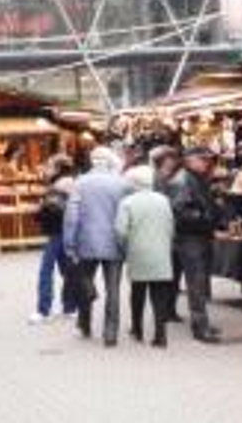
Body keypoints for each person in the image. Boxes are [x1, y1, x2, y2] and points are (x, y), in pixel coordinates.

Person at [64, 146, 130, 347]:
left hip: (87, 241)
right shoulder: (121, 183)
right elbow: (126, 214)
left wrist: (69, 243)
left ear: (92, 161)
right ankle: (110, 333)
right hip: (114, 242)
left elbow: (71, 216)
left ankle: (84, 324)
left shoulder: (81, 183)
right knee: (113, 289)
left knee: (85, 283)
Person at [116, 165, 175, 348]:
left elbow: (120, 231)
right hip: (160, 251)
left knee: (137, 292)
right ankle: (161, 335)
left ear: (133, 183)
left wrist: (125, 248)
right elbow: (171, 226)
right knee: (159, 295)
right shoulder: (164, 200)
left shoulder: (127, 202)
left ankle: (137, 329)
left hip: (138, 251)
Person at [168, 146, 222, 344]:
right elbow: (180, 211)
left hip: (197, 236)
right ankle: (200, 327)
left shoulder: (195, 178)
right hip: (190, 237)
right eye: (203, 159)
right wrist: (205, 218)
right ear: (191, 160)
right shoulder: (183, 180)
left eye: (208, 160)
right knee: (196, 283)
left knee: (198, 282)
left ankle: (202, 323)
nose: (207, 163)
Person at [29, 156, 78, 324]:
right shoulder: (72, 182)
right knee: (68, 270)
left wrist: (39, 207)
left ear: (58, 168)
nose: (47, 169)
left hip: (57, 232)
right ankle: (70, 307)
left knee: (46, 271)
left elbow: (45, 212)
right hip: (67, 231)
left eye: (50, 166)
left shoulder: (59, 185)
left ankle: (44, 310)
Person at [150, 145, 184, 322]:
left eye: (174, 159)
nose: (173, 162)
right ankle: (163, 310)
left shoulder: (172, 178)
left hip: (175, 232)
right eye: (169, 160)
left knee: (175, 272)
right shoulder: (156, 179)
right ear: (161, 161)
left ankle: (170, 309)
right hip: (162, 232)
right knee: (164, 274)